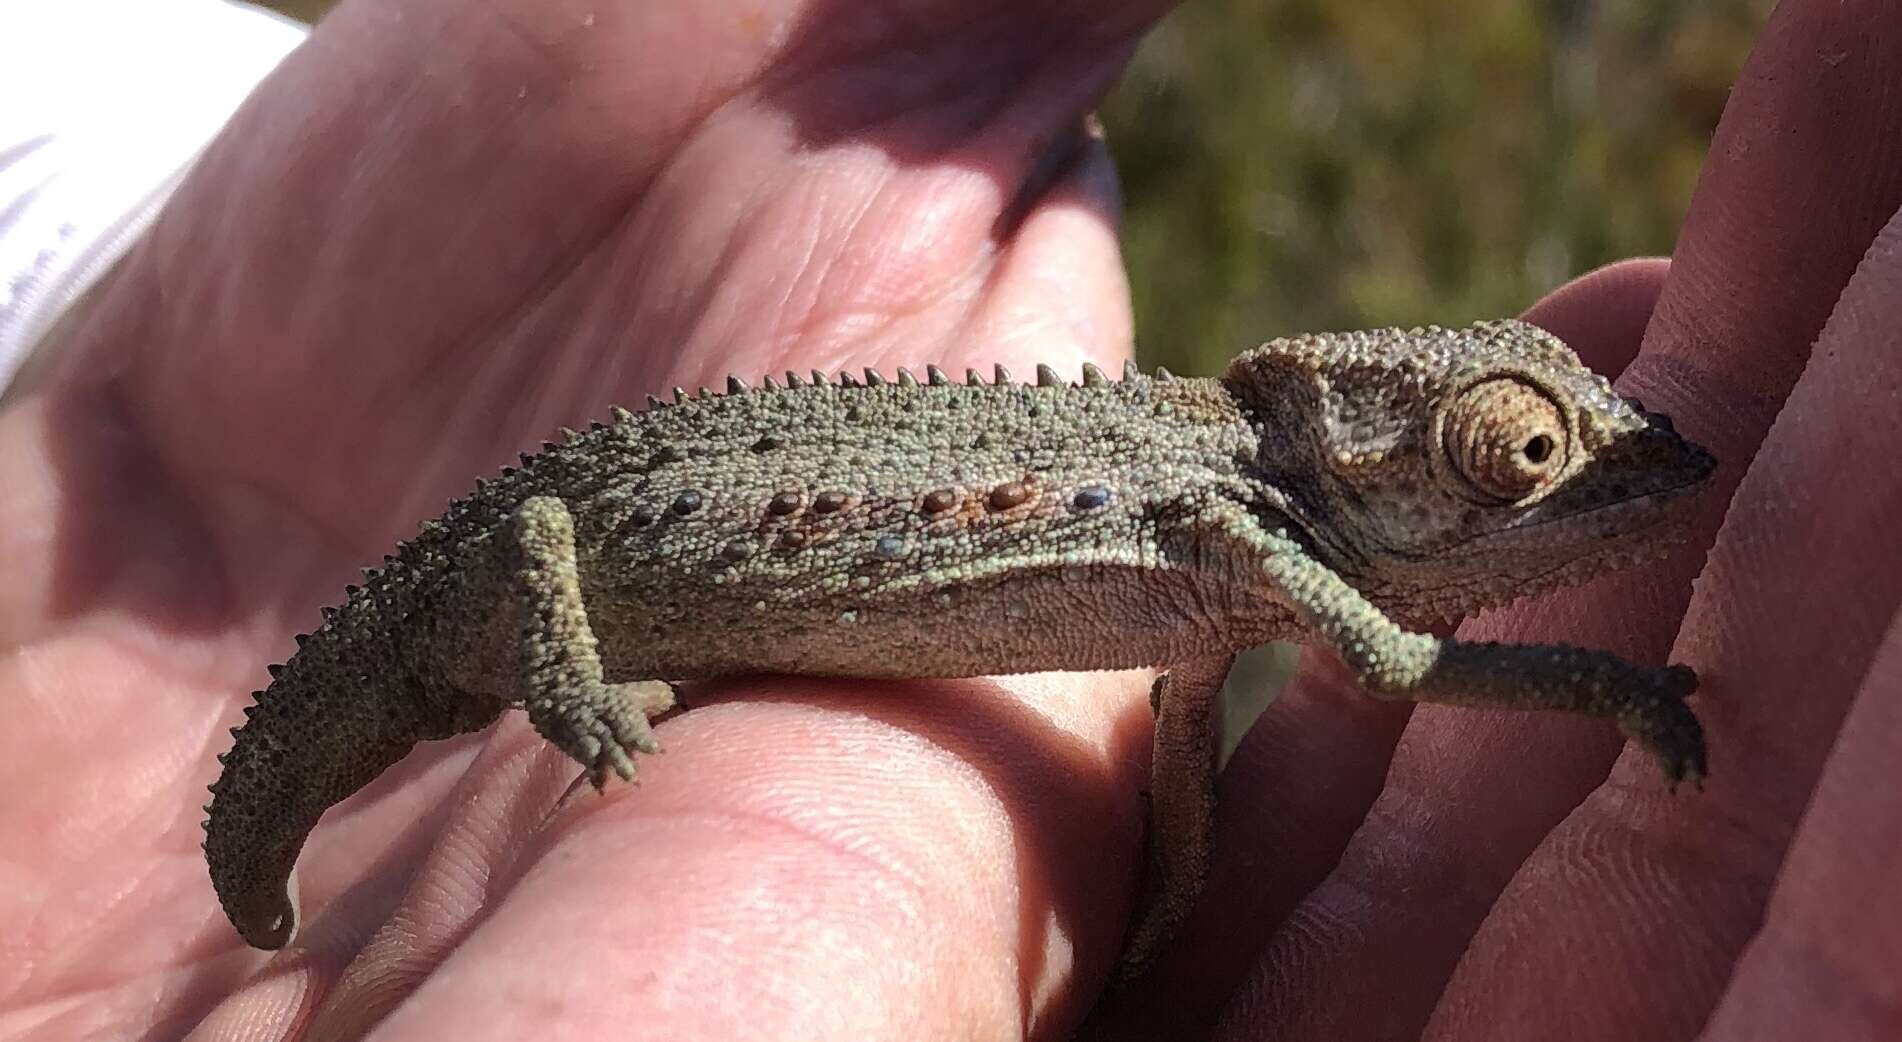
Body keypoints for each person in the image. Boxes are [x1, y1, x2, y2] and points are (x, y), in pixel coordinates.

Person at [1, 1, 1895, 1039]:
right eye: (1508, 455)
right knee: (488, 626)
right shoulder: (1253, 524)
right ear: (1371, 447)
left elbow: (1179, 741)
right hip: (549, 551)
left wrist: (1161, 917)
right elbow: (1397, 656)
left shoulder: (1226, 559)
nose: (1531, 494)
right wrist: (1625, 700)